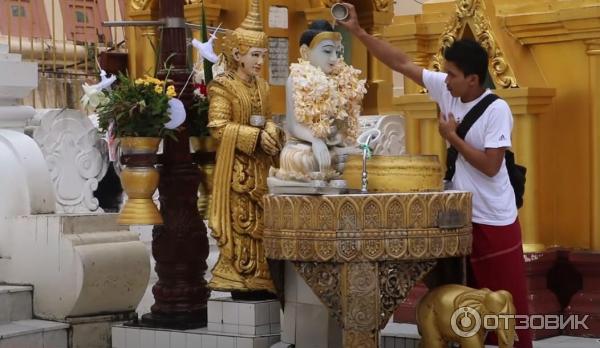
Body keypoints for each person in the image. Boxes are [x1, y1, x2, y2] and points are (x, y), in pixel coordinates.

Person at [336, 3, 533, 347]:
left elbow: (490, 165)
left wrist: (452, 137)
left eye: (452, 74)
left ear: (472, 78)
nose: (445, 79)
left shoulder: (497, 110)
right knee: (462, 306)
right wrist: (358, 31)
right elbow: (400, 62)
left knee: (504, 311)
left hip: (494, 220)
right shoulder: (446, 88)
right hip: (459, 216)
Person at [207, 0, 282, 299]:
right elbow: (217, 126)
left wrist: (273, 131)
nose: (260, 62)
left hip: (261, 168)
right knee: (242, 223)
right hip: (237, 170)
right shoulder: (222, 86)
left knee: (262, 223)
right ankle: (240, 276)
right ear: (237, 54)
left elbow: (269, 120)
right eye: (255, 55)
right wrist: (253, 135)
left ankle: (262, 277)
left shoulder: (263, 87)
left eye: (263, 55)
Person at [269, 20, 366, 187]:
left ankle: (333, 167)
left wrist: (340, 140)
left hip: (333, 145)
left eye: (337, 52)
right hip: (304, 144)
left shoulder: (341, 81)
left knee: (360, 157)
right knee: (303, 160)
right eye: (327, 51)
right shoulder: (296, 79)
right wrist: (315, 141)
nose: (334, 58)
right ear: (306, 52)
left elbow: (342, 126)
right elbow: (293, 126)